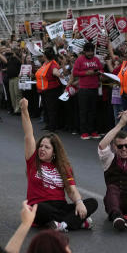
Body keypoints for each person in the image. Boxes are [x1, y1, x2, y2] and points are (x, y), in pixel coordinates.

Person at [20, 97, 98, 231]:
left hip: (60, 205)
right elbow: (28, 135)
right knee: (37, 209)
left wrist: (79, 203)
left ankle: (63, 225)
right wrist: (24, 110)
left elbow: (71, 190)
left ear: (54, 152)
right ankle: (77, 222)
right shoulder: (33, 161)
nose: (42, 149)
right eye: (41, 146)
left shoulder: (63, 167)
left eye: (47, 147)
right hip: (40, 207)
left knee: (92, 203)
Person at [74, 42, 104, 139]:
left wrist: (99, 73)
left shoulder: (96, 59)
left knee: (93, 111)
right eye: (88, 52)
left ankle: (93, 131)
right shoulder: (79, 60)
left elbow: (101, 70)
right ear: (85, 51)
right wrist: (86, 73)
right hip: (83, 89)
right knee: (84, 111)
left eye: (92, 51)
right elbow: (75, 72)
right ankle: (84, 132)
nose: (90, 53)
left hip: (94, 88)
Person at [35, 47, 63, 132]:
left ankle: (52, 127)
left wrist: (59, 74)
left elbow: (55, 72)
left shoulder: (52, 64)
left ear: (45, 56)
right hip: (44, 90)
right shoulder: (45, 63)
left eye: (43, 55)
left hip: (51, 90)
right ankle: (48, 125)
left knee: (51, 109)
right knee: (46, 108)